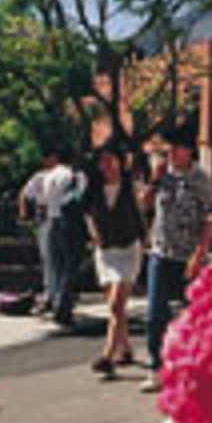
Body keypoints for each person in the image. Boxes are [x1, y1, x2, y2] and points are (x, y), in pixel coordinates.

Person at [141, 123, 212, 393]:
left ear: (187, 150)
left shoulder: (201, 179)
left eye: (174, 148)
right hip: (160, 252)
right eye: (166, 149)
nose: (169, 153)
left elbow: (208, 219)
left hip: (188, 255)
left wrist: (199, 255)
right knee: (154, 314)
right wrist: (154, 180)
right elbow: (145, 205)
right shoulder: (163, 176)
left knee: (193, 314)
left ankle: (194, 366)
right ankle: (155, 367)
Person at [84, 140, 145, 379]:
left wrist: (145, 237)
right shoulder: (93, 189)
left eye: (111, 159)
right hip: (106, 250)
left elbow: (140, 213)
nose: (107, 165)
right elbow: (86, 212)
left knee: (115, 305)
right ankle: (126, 347)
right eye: (103, 160)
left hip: (128, 247)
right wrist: (93, 232)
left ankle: (107, 357)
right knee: (116, 307)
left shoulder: (130, 186)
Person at [39, 149, 88, 326]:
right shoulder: (76, 175)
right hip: (71, 222)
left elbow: (41, 200)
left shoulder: (49, 176)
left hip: (51, 220)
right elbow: (82, 197)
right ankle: (63, 307)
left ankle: (54, 300)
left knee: (55, 265)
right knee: (70, 266)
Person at [18, 154, 52, 313]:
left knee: (51, 258)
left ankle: (53, 294)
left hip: (52, 215)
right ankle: (50, 293)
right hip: (45, 215)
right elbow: (25, 194)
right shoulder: (40, 177)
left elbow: (24, 195)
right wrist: (25, 215)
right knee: (48, 257)